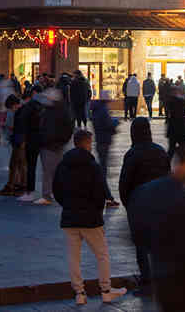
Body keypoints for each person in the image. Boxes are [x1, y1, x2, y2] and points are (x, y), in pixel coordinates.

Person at [53, 129, 127, 305]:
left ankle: (79, 293)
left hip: (70, 217)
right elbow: (99, 192)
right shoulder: (92, 166)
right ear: (86, 143)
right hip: (90, 219)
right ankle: (106, 290)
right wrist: (95, 209)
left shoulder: (64, 164)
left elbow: (57, 190)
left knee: (74, 256)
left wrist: (68, 205)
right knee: (102, 255)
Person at [129, 148, 185, 311]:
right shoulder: (183, 199)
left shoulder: (148, 190)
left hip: (161, 272)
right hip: (178, 276)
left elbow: (136, 231)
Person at [118, 117, 171, 291]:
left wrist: (129, 204)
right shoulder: (160, 151)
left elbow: (124, 183)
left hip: (139, 205)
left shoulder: (132, 154)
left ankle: (147, 280)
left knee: (141, 245)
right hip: (161, 203)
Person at [36, 85, 73, 205]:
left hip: (49, 144)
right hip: (56, 144)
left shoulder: (49, 111)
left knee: (48, 171)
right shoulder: (62, 111)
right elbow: (69, 128)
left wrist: (45, 139)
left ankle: (47, 195)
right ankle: (54, 192)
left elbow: (46, 128)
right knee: (55, 170)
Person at [88, 98, 121, 207]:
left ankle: (107, 197)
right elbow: (108, 124)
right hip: (103, 141)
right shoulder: (103, 110)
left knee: (102, 169)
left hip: (101, 141)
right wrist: (115, 122)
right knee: (102, 171)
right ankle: (107, 197)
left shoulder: (97, 110)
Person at [15, 86, 43, 202]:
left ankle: (30, 191)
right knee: (42, 166)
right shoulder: (43, 106)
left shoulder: (30, 106)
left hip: (31, 138)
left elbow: (22, 122)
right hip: (41, 138)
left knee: (31, 165)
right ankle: (46, 192)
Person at [166, 84, 185, 160]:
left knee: (171, 149)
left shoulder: (169, 101)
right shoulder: (179, 101)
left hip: (173, 130)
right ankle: (184, 166)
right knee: (183, 149)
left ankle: (166, 166)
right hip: (180, 129)